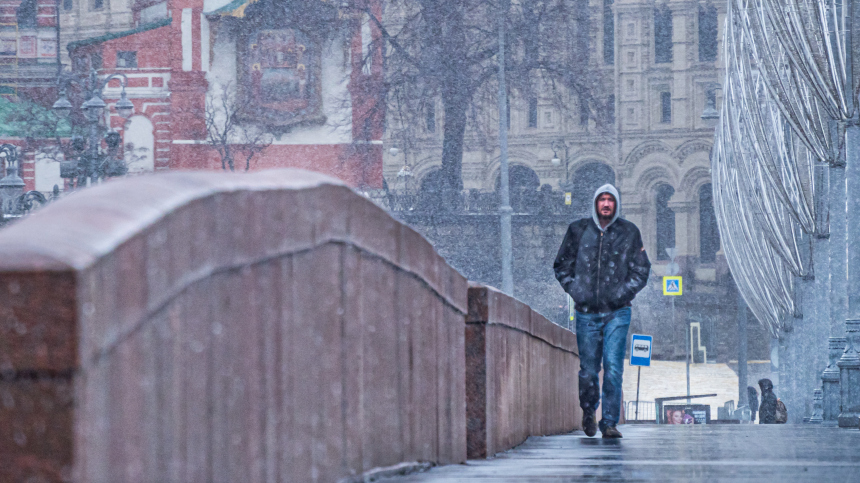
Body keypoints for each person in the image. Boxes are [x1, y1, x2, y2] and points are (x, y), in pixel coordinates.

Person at [554, 184, 651, 439]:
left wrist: (622, 293)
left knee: (613, 365)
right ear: (595, 203)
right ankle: (589, 410)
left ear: (616, 204)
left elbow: (641, 270)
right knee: (588, 369)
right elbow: (561, 264)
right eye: (602, 200)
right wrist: (576, 290)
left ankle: (608, 422)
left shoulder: (629, 232)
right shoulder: (578, 230)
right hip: (586, 312)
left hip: (618, 311)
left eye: (610, 200)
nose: (606, 204)